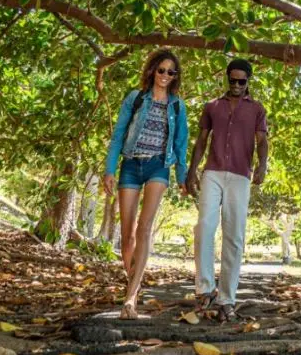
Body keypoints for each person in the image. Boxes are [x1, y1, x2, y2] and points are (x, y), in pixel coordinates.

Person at [102, 49, 190, 319]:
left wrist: (182, 177)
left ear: (175, 76)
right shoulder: (135, 98)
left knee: (145, 227)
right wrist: (109, 169)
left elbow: (181, 145)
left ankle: (130, 297)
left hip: (158, 166)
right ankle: (134, 284)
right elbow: (118, 135)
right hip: (130, 164)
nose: (165, 75)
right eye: (161, 70)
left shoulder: (177, 106)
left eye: (171, 72)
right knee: (127, 235)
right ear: (152, 70)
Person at [184, 58, 268, 321]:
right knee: (204, 228)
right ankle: (205, 289)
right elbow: (201, 140)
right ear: (227, 79)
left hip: (240, 176)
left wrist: (262, 166)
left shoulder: (257, 109)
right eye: (232, 80)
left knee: (234, 236)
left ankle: (227, 298)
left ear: (248, 81)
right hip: (213, 172)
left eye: (242, 81)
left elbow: (262, 140)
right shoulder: (212, 106)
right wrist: (192, 170)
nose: (237, 85)